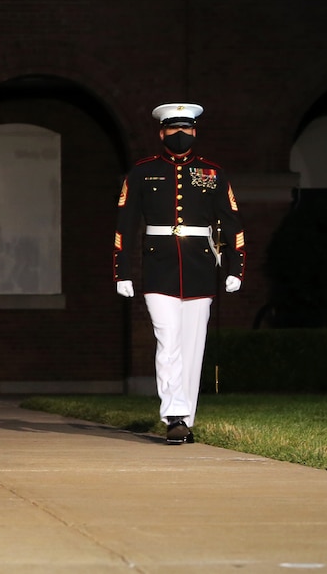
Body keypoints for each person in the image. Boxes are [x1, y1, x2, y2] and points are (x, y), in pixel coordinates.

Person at [113, 102, 245, 444]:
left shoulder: (213, 173)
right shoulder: (142, 172)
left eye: (187, 128)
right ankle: (173, 414)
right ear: (162, 132)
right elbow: (125, 225)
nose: (181, 135)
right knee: (167, 339)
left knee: (192, 346)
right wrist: (122, 271)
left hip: (200, 267)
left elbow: (231, 222)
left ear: (196, 132)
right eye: (174, 129)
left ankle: (186, 418)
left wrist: (237, 266)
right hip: (159, 267)